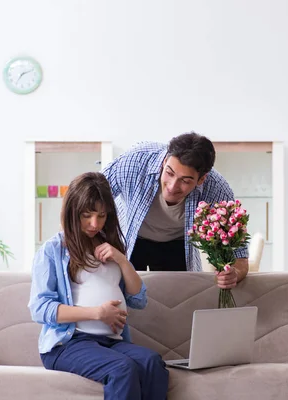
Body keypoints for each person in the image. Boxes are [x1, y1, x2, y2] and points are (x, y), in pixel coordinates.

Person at [28, 172, 169, 400]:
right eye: (87, 215)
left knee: (152, 362)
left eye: (102, 216)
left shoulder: (110, 247)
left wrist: (122, 259)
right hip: (68, 344)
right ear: (73, 212)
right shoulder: (53, 250)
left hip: (110, 342)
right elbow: (40, 308)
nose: (95, 224)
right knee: (122, 368)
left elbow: (139, 300)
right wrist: (97, 313)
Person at [102, 131, 249, 289]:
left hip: (176, 243)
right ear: (165, 161)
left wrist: (233, 273)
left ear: (201, 179)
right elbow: (88, 197)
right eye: (169, 173)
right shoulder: (134, 162)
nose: (172, 187)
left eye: (185, 181)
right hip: (133, 236)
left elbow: (239, 256)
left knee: (178, 297)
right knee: (127, 294)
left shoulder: (216, 189)